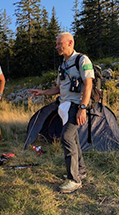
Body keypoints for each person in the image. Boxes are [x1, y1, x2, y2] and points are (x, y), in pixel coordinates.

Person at [30, 32, 94, 193]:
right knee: (73, 138)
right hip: (64, 106)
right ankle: (81, 171)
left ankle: (74, 180)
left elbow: (88, 85)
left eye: (59, 43)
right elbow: (58, 89)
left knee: (66, 136)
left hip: (76, 105)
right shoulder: (63, 65)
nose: (57, 46)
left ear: (70, 43)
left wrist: (83, 108)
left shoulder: (82, 60)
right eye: (57, 44)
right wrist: (42, 92)